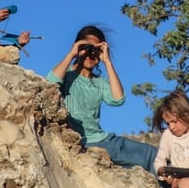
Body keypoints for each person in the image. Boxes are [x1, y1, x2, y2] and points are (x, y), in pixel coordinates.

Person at [46, 25, 157, 171]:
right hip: (79, 141)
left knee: (152, 154)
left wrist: (107, 62)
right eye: (87, 48)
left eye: (96, 50)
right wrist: (72, 54)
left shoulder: (100, 83)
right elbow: (50, 83)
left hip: (102, 140)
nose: (91, 54)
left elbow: (118, 99)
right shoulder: (66, 74)